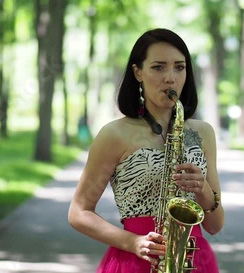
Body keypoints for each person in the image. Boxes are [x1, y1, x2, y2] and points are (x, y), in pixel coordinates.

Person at [68, 28, 225, 273]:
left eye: (179, 67)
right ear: (137, 72)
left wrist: (203, 189)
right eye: (158, 67)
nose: (170, 78)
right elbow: (79, 212)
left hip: (194, 262)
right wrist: (132, 242)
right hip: (137, 260)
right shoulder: (114, 134)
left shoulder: (203, 133)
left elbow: (215, 226)